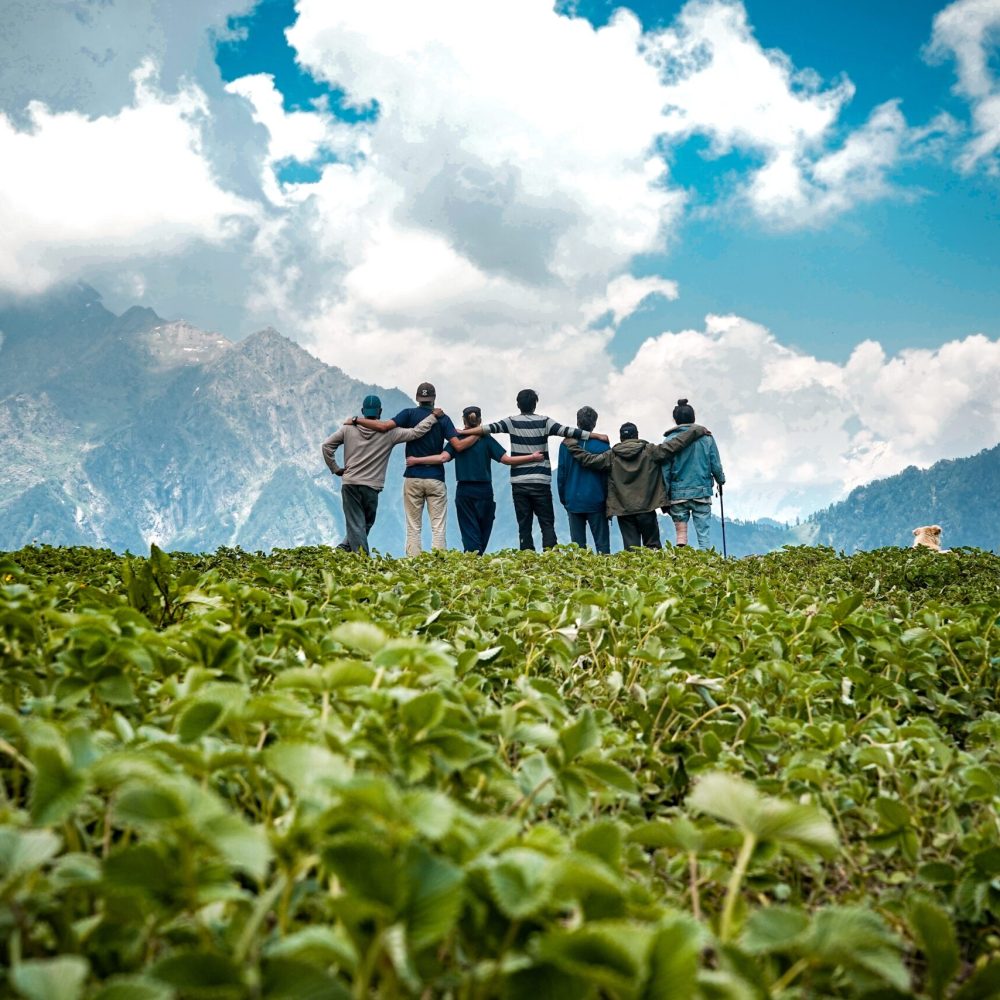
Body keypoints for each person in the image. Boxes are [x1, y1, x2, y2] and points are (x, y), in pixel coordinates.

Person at [463, 389, 609, 550]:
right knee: (547, 523)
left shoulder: (511, 422)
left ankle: (527, 557)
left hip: (519, 483)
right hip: (541, 482)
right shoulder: (545, 422)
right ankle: (550, 554)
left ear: (518, 404)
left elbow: (487, 429)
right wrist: (596, 435)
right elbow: (569, 431)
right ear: (535, 404)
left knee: (524, 525)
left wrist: (462, 432)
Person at [355, 382, 476, 557]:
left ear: (418, 398)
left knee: (413, 526)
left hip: (412, 478)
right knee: (438, 526)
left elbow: (383, 427)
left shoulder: (408, 414)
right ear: (433, 398)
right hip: (435, 478)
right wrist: (477, 434)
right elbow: (457, 445)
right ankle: (439, 562)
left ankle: (413, 563)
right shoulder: (443, 419)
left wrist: (356, 420)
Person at [405, 405, 544, 554]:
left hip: (464, 491)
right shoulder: (486, 439)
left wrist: (416, 460)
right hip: (485, 491)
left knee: (469, 533)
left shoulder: (457, 439)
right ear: (480, 420)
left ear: (464, 420)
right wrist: (532, 457)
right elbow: (507, 460)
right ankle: (476, 561)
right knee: (483, 531)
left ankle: (472, 561)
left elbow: (443, 457)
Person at [321, 394, 439, 554]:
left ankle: (344, 549)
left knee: (358, 524)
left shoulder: (348, 429)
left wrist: (336, 468)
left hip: (350, 483)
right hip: (371, 486)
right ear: (380, 411)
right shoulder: (390, 433)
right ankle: (362, 560)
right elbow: (416, 433)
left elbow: (327, 446)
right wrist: (432, 417)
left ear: (363, 411)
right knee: (364, 523)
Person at [565, 421, 708, 550]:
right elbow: (675, 445)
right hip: (647, 508)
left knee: (632, 552)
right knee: (653, 548)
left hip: (624, 511)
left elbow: (588, 460)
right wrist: (696, 430)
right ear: (637, 435)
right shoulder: (650, 451)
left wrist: (572, 445)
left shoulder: (611, 456)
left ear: (621, 438)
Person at [662, 398, 726, 549]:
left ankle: (682, 561)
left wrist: (664, 494)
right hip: (701, 491)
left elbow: (664, 470)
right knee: (703, 533)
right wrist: (721, 480)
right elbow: (715, 463)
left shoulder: (669, 440)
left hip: (677, 494)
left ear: (675, 419)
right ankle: (705, 563)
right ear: (693, 417)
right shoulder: (706, 438)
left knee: (681, 534)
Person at [557, 405, 610, 554]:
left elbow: (561, 475)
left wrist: (564, 498)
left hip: (573, 500)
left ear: (577, 423)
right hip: (597, 500)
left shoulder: (565, 445)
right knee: (603, 547)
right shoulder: (603, 445)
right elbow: (608, 475)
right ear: (594, 424)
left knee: (578, 549)